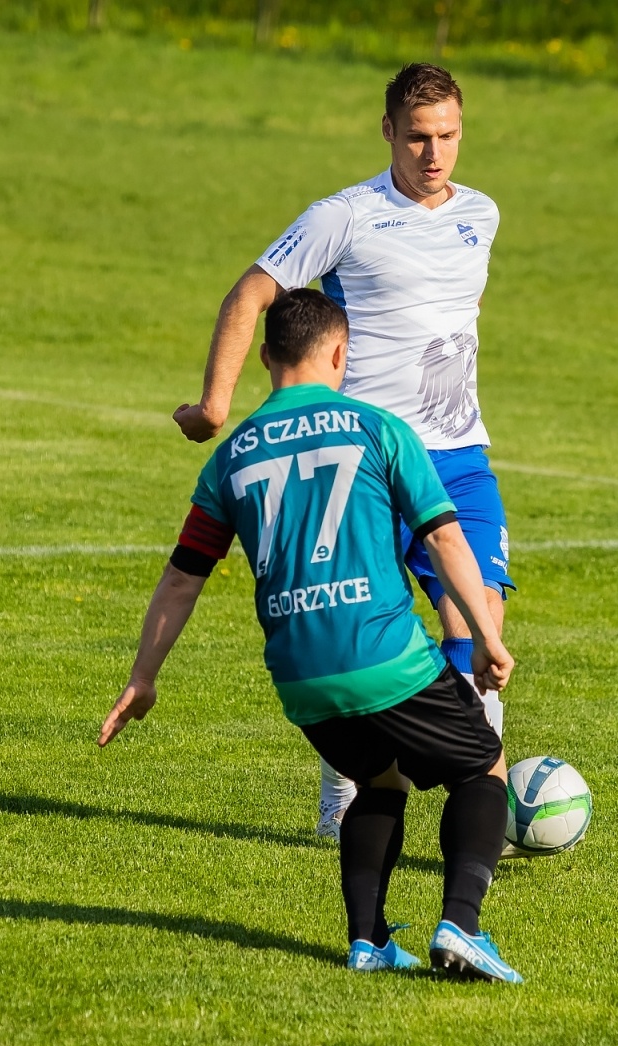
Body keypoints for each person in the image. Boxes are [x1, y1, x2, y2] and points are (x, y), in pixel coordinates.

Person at [101, 288, 524, 982]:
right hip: (382, 652)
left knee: (377, 777)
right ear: (339, 354)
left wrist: (143, 678)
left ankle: (369, 940)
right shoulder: (380, 428)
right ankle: (463, 927)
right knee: (481, 767)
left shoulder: (230, 457)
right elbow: (444, 535)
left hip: (300, 676)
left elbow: (183, 578)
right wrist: (486, 635)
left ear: (265, 356)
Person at [171, 62, 513, 840]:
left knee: (477, 623)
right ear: (388, 131)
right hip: (365, 460)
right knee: (365, 632)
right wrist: (217, 405)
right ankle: (347, 792)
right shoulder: (345, 217)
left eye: (450, 137)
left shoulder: (483, 215)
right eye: (419, 137)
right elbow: (249, 294)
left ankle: (485, 804)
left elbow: (459, 307)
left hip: (457, 454)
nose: (435, 154)